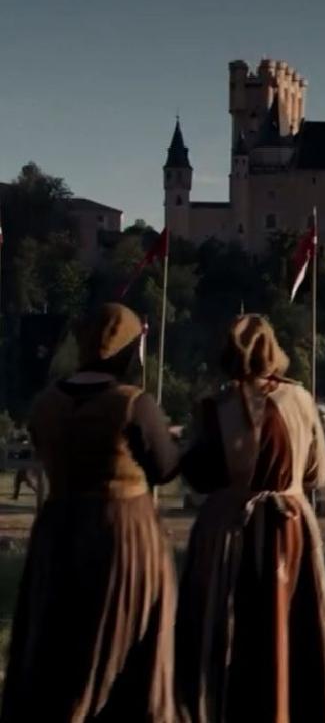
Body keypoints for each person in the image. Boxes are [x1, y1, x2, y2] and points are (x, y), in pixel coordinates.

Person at [2, 303, 179, 722]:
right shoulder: (132, 404)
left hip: (58, 529)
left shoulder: (46, 402)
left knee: (57, 641)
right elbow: (166, 467)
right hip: (122, 535)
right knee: (126, 639)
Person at [175, 315, 325, 723]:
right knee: (289, 628)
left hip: (228, 530)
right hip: (288, 527)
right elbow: (318, 471)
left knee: (224, 629)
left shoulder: (214, 407)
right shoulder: (301, 400)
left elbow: (197, 474)